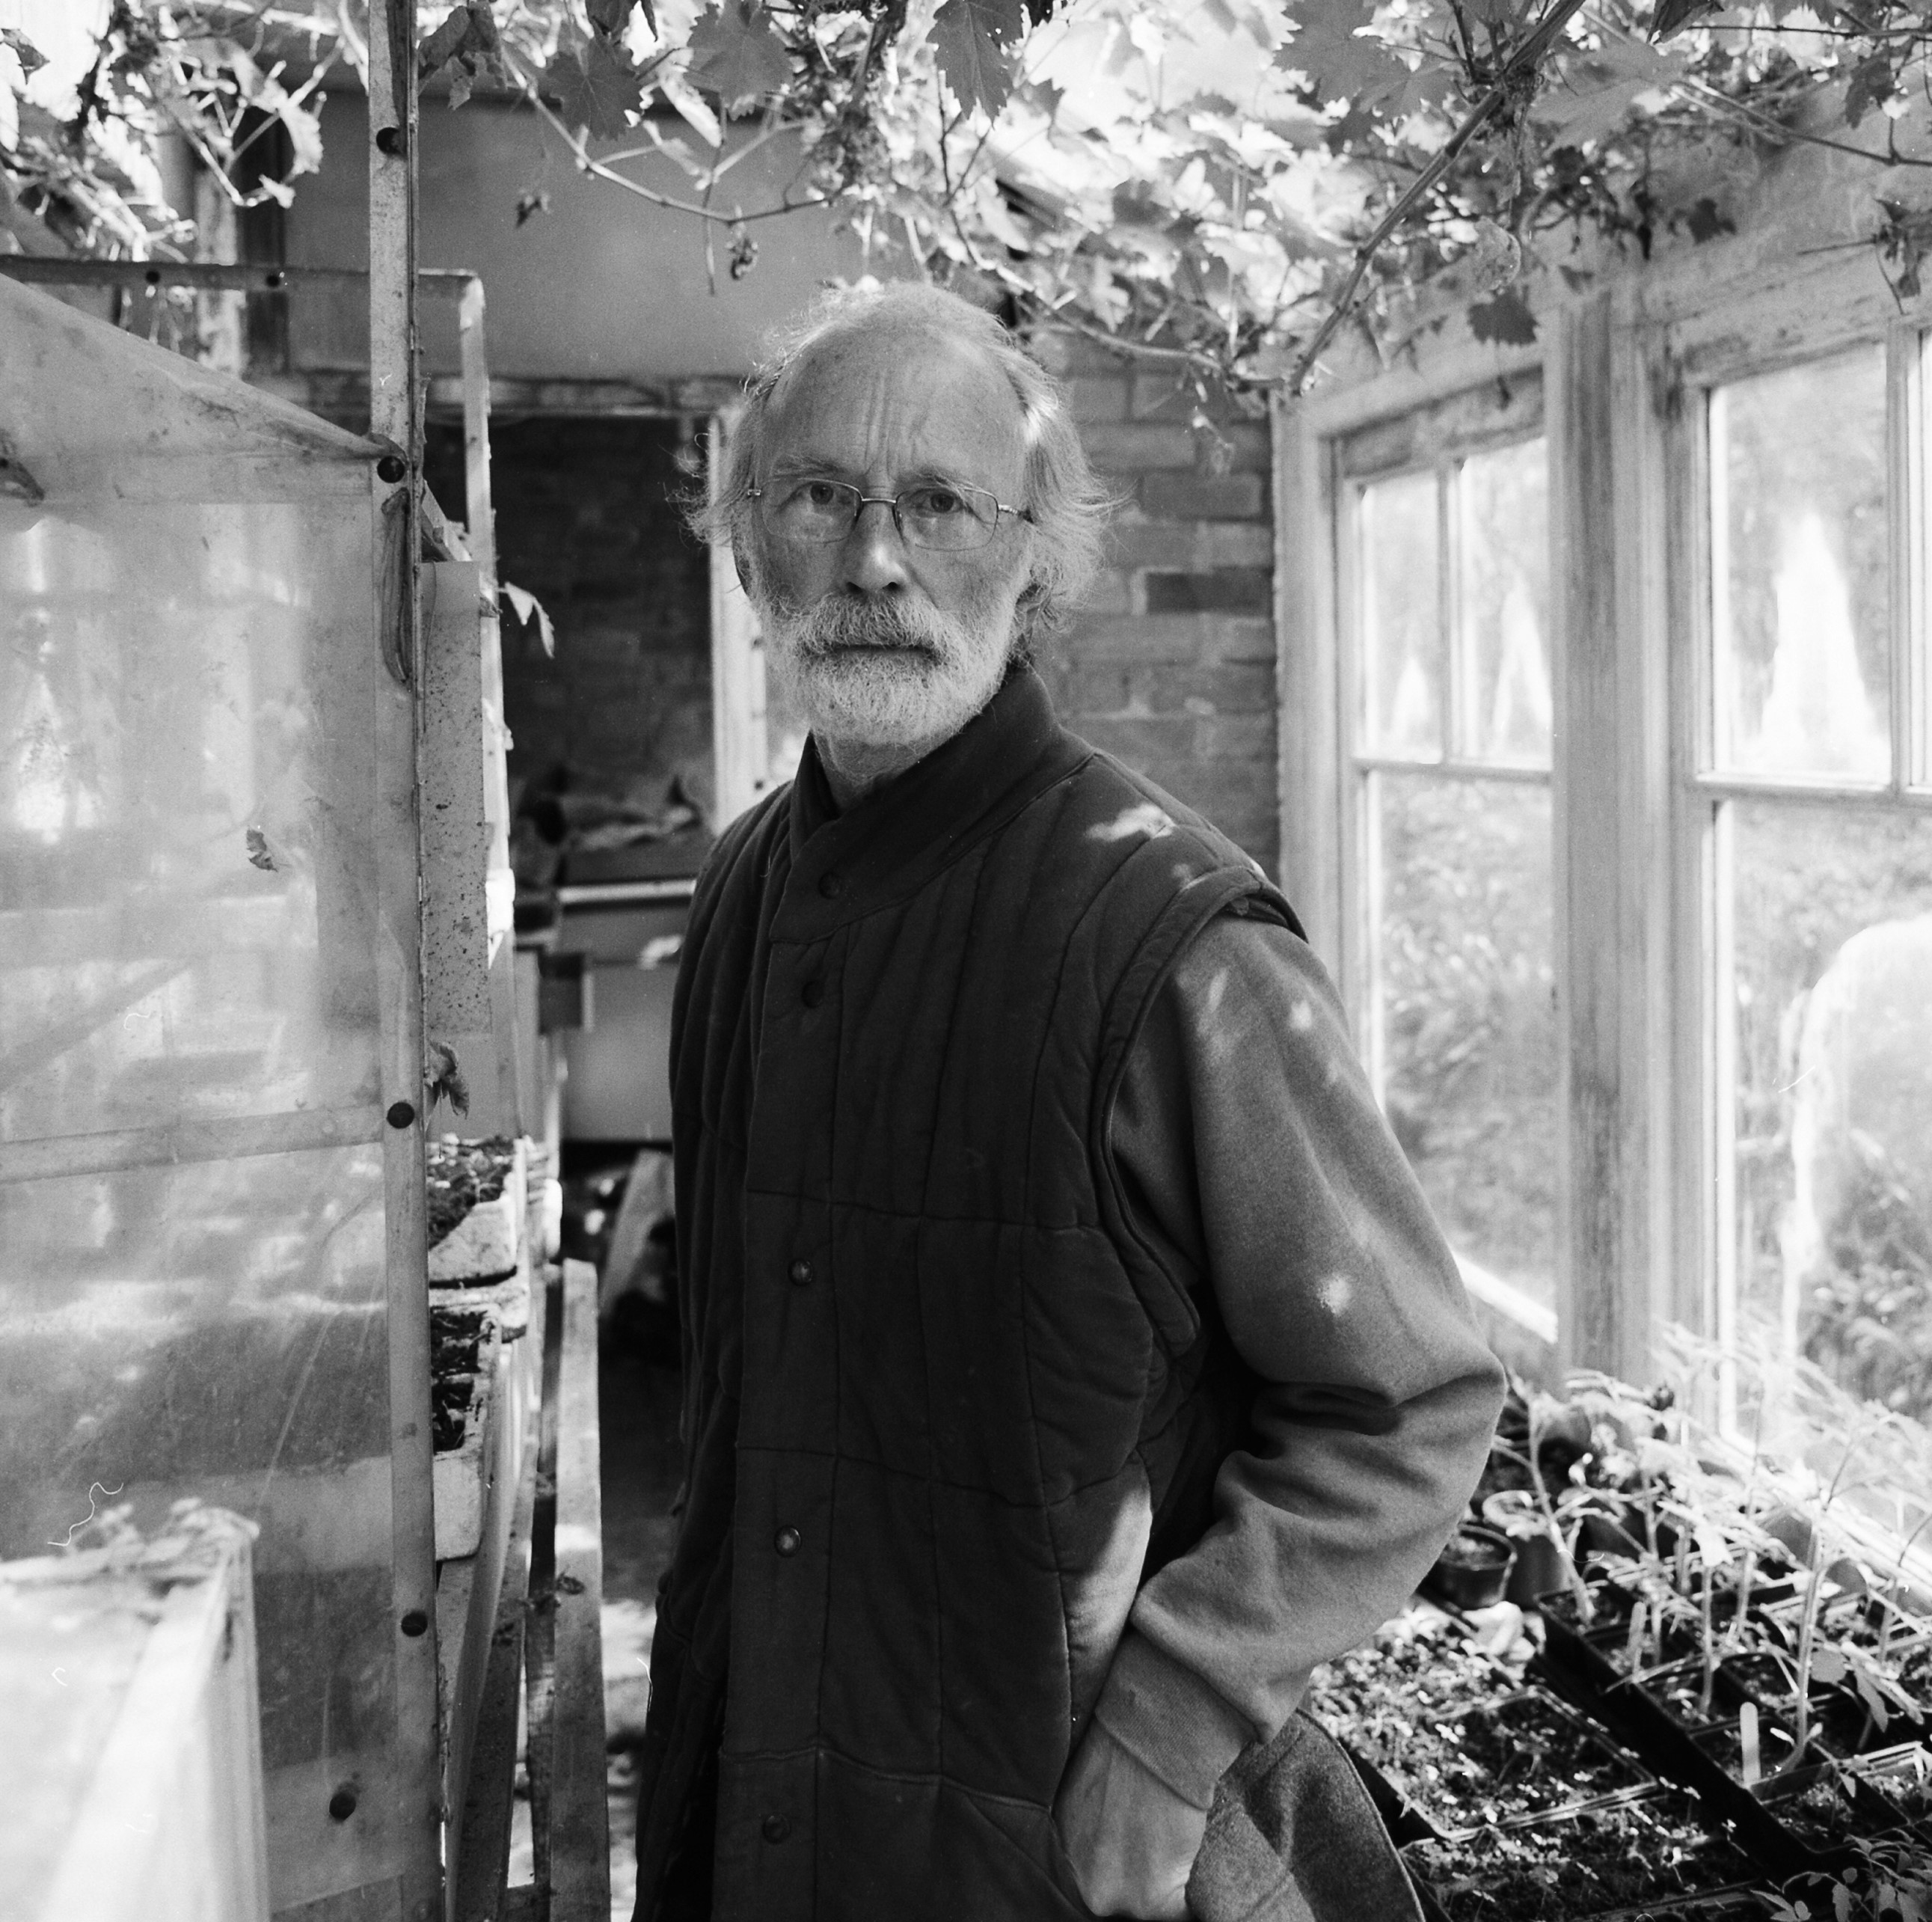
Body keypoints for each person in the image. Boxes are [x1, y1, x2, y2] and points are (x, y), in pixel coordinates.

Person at [631, 281, 1507, 1922]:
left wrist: (1169, 1739)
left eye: (941, 505)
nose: (874, 560)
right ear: (746, 540)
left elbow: (1408, 1403)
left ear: (1033, 554)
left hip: (1049, 1854)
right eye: (817, 496)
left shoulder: (1167, 939)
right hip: (764, 1803)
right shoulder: (743, 887)